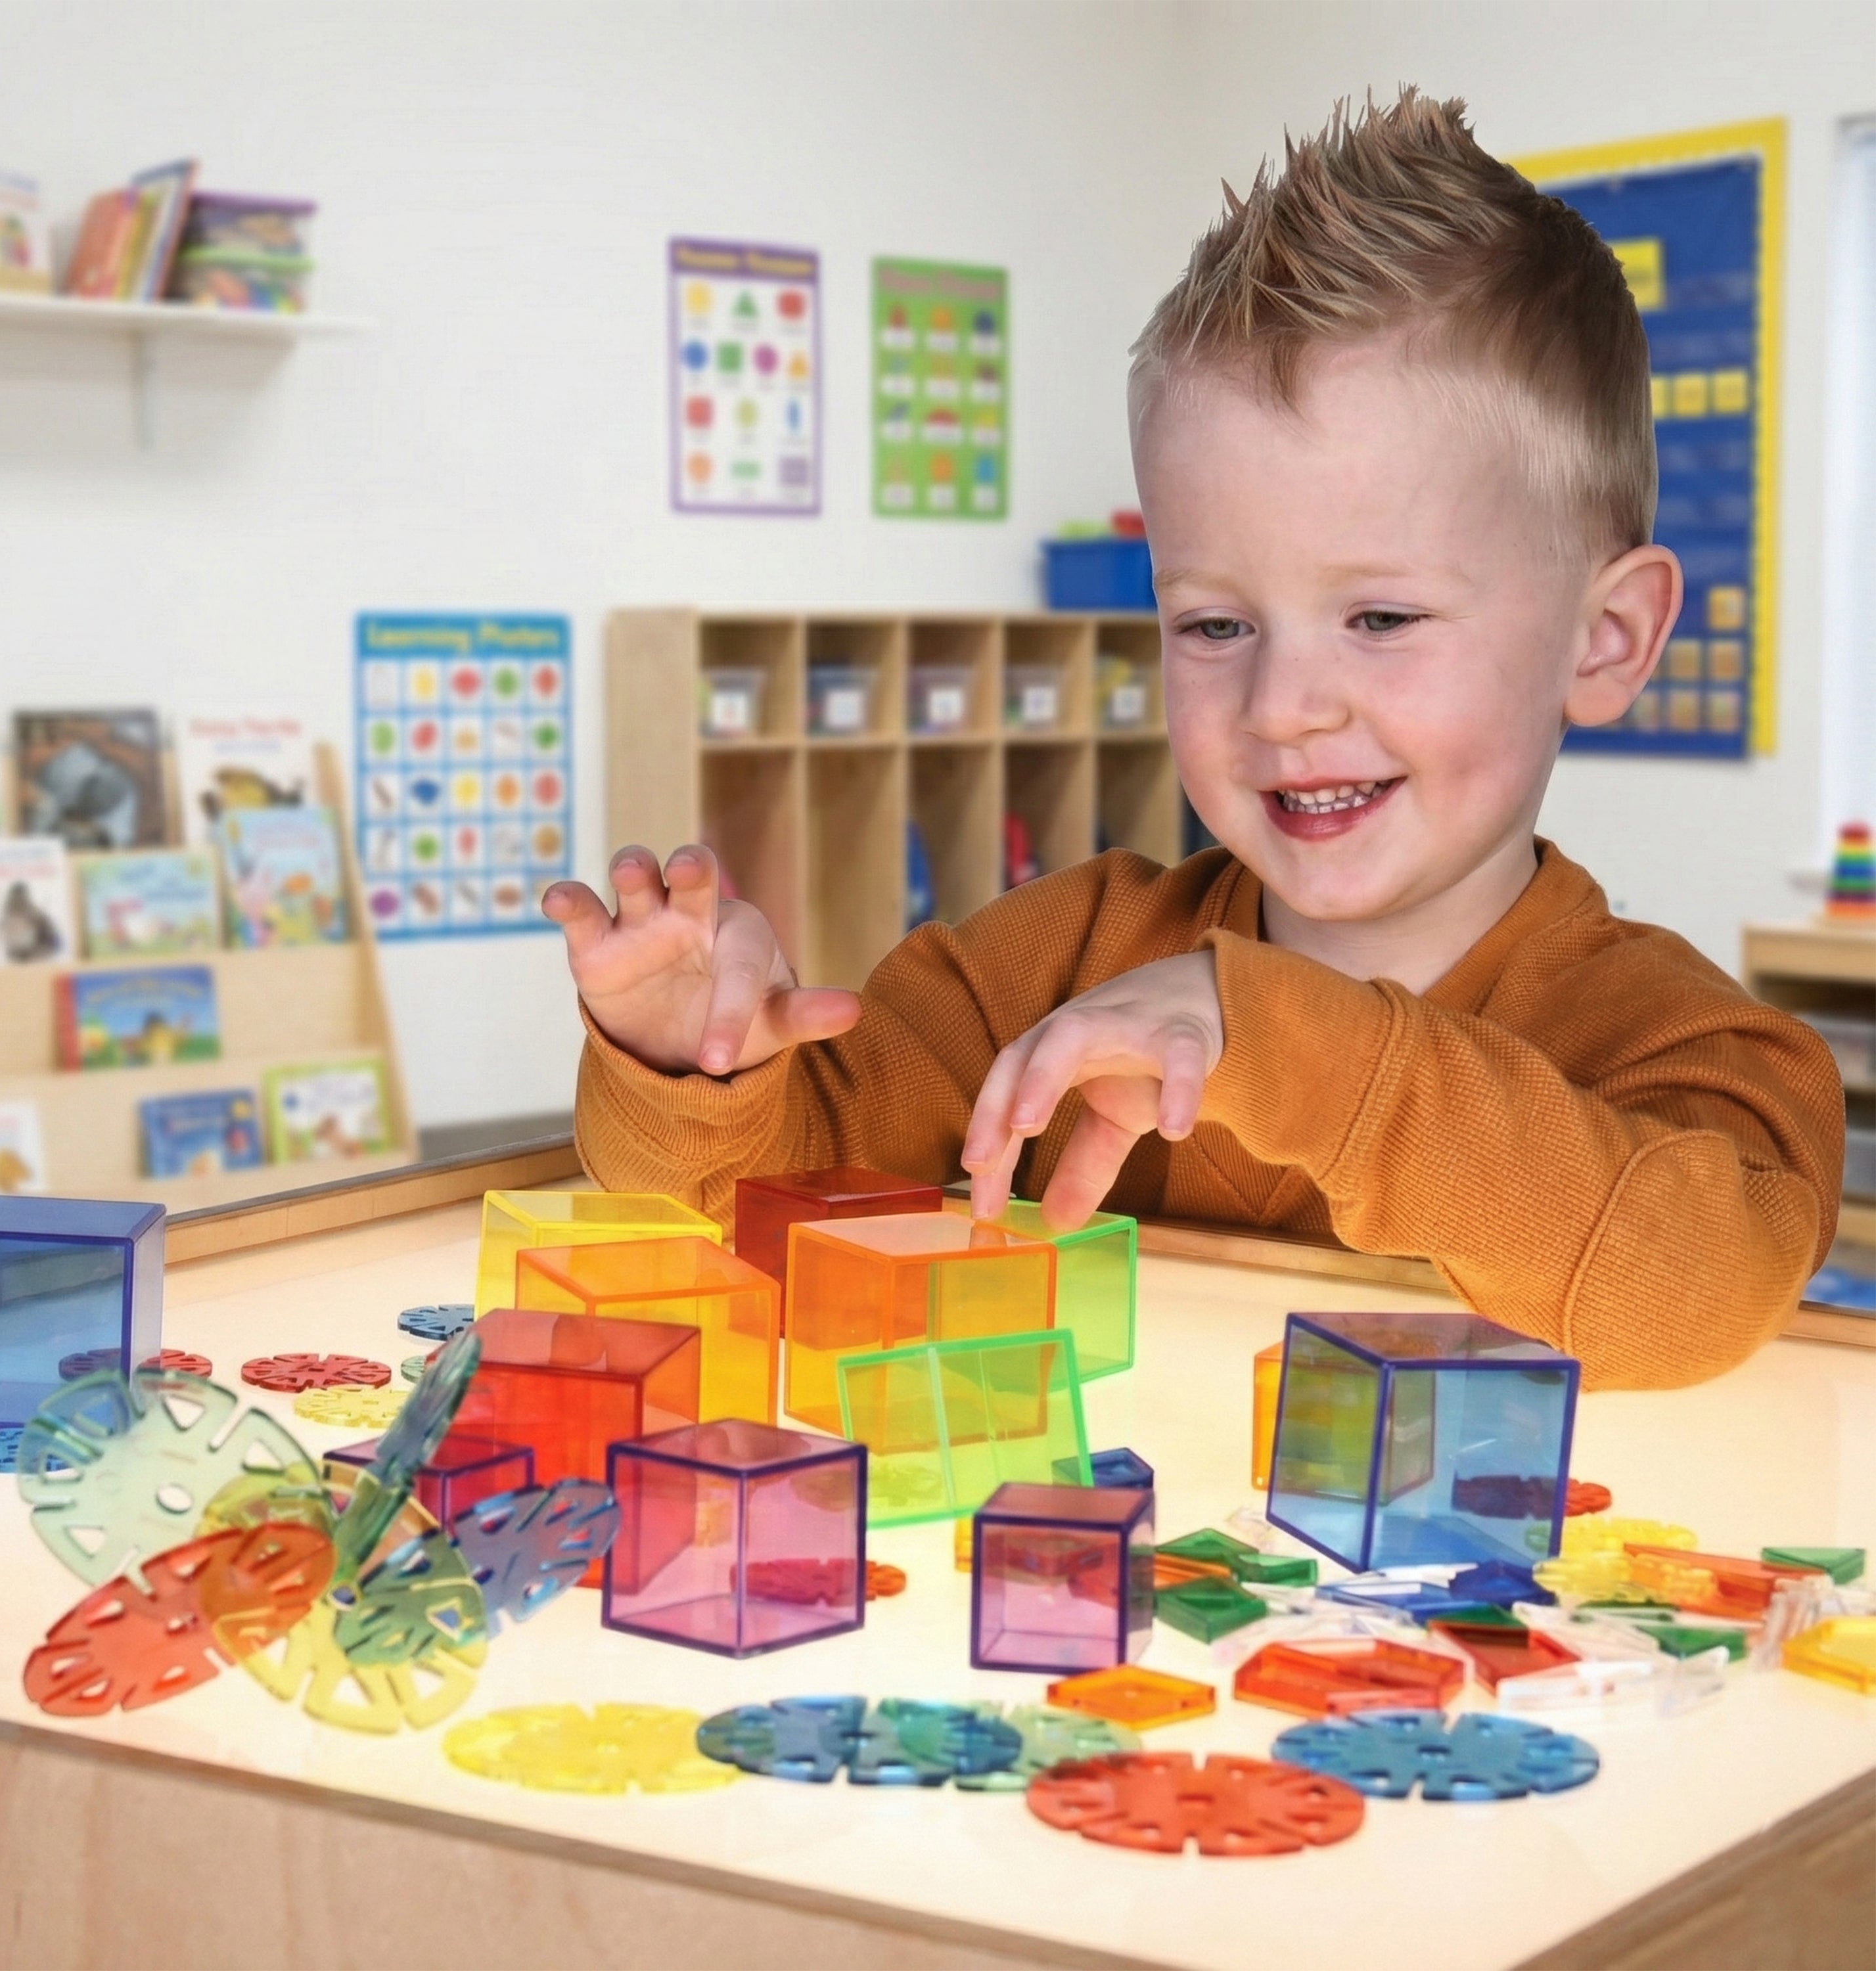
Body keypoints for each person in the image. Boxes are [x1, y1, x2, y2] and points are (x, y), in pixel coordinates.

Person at [547, 90, 1841, 1390]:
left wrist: (1282, 1041)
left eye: (1382, 616)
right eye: (1214, 626)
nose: (1284, 706)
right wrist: (690, 1070)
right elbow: (755, 1209)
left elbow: (1695, 1299)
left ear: (1605, 639)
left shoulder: (1685, 1046)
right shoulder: (1036, 971)